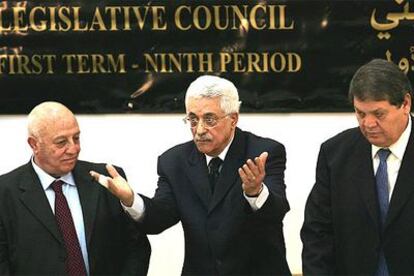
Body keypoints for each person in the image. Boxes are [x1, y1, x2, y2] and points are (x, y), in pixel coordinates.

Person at [90, 75, 291, 275]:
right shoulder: (174, 161)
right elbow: (160, 217)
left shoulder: (263, 152)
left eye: (209, 119)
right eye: (193, 119)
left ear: (233, 119)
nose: (200, 130)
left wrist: (256, 192)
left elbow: (277, 211)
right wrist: (131, 200)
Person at [0, 101, 151, 275]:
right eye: (61, 142)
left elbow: (136, 247)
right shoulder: (5, 193)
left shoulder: (107, 180)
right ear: (34, 144)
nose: (73, 149)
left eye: (76, 138)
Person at [301, 59, 414, 275]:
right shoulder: (335, 154)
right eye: (360, 113)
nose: (368, 124)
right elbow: (318, 233)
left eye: (378, 114)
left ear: (405, 104)